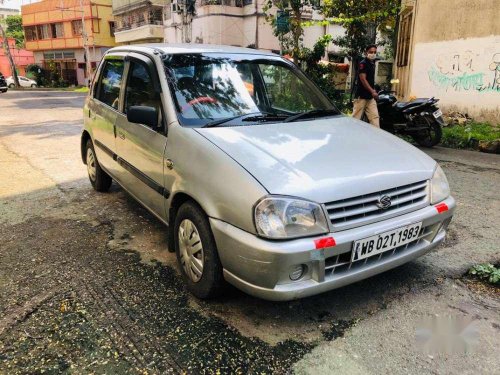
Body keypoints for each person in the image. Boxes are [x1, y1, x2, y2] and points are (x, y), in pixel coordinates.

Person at [352, 44, 380, 128]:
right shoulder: (363, 64)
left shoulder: (372, 63)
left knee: (375, 118)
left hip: (370, 97)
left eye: (374, 52)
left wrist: (373, 91)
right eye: (371, 52)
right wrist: (373, 91)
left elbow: (370, 80)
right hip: (362, 96)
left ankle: (376, 137)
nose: (373, 54)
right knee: (356, 119)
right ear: (366, 53)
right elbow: (363, 79)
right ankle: (351, 136)